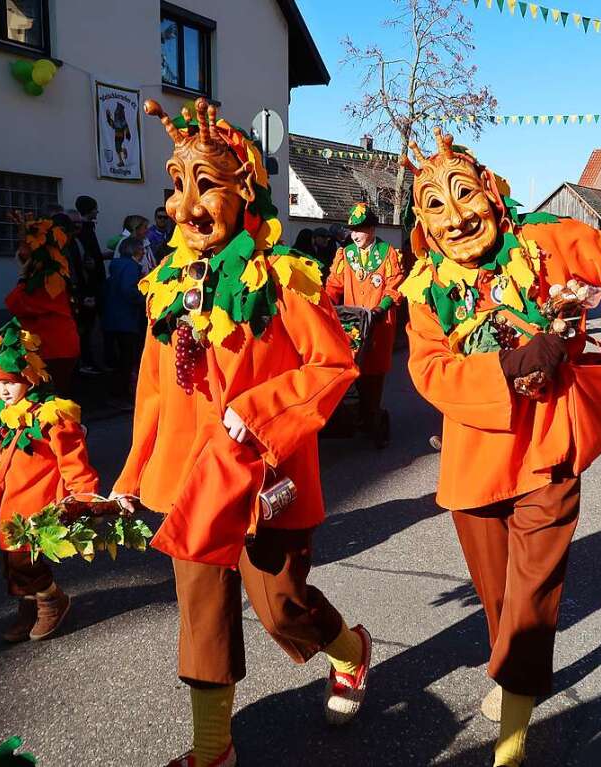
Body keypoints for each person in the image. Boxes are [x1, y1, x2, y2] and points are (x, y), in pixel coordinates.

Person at [112, 98, 371, 767]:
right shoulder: (165, 283)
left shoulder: (283, 278)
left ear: (244, 192)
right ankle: (211, 749)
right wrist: (131, 474)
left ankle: (350, 650)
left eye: (207, 185)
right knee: (202, 614)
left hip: (264, 478)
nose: (185, 205)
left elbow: (335, 363)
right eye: (177, 184)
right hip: (188, 478)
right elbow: (150, 387)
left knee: (282, 606)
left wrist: (260, 413)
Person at [400, 128, 601, 767]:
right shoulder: (424, 286)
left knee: (534, 592)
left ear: (491, 190)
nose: (455, 217)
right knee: (499, 597)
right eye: (435, 205)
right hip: (474, 457)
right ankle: (509, 666)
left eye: (464, 194)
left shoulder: (545, 241)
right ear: (422, 222)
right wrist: (508, 368)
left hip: (550, 445)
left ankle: (511, 741)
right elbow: (428, 370)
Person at [0, 319, 97, 642]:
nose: (3, 390)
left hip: (37, 503)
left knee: (24, 560)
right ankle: (28, 609)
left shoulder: (51, 414)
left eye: (10, 382)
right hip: (8, 503)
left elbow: (73, 457)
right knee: (11, 563)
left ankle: (51, 599)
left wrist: (82, 496)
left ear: (29, 378)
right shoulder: (4, 413)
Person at [325, 203, 405, 448]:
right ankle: (354, 414)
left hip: (378, 325)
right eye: (352, 230)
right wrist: (326, 304)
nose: (355, 235)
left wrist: (381, 308)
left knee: (373, 372)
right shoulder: (345, 254)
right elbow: (333, 285)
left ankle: (372, 413)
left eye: (360, 230)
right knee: (351, 369)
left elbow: (395, 286)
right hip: (352, 323)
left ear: (371, 228)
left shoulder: (388, 253)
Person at [4, 212, 81, 397]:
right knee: (55, 396)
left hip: (51, 349)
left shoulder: (45, 280)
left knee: (49, 400)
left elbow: (15, 304)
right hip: (60, 346)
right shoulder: (54, 274)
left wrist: (22, 277)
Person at [101, 236, 146, 405]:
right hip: (126, 318)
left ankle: (114, 392)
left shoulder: (116, 266)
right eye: (141, 249)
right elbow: (129, 290)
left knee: (117, 357)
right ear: (135, 250)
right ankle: (122, 394)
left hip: (112, 317)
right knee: (127, 357)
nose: (143, 253)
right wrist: (144, 298)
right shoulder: (131, 267)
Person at [74, 195, 107, 374]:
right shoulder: (83, 230)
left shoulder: (88, 229)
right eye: (95, 208)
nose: (97, 211)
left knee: (90, 326)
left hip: (94, 283)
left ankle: (89, 360)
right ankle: (85, 361)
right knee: (87, 327)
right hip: (90, 286)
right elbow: (86, 258)